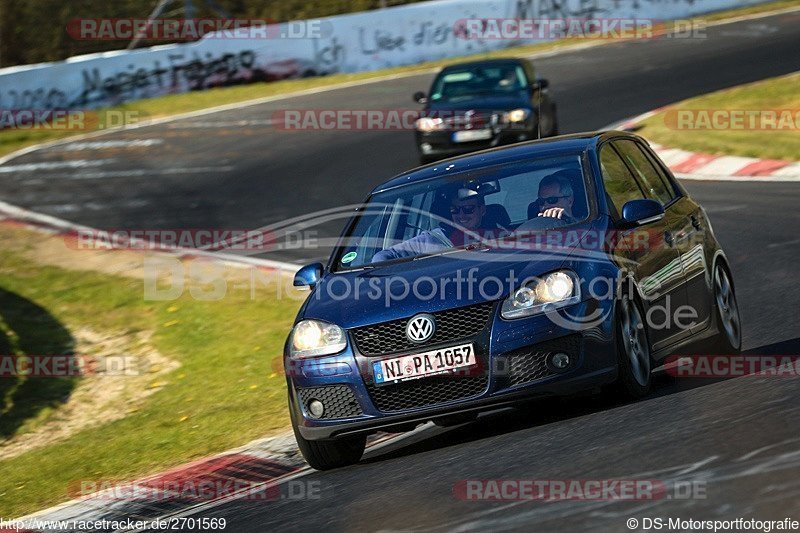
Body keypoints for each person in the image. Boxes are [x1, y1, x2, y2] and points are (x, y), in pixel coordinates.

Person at [371, 191, 499, 263]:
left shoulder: (502, 234)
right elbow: (384, 256)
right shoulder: (431, 239)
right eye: (455, 210)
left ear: (482, 210)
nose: (461, 215)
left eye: (468, 209)